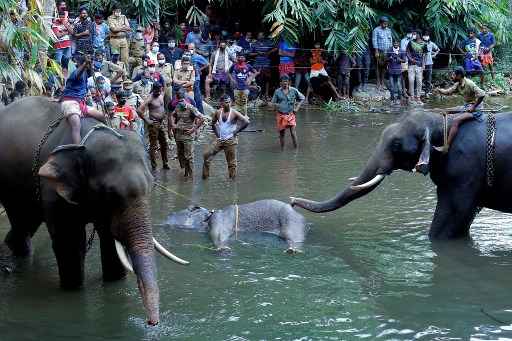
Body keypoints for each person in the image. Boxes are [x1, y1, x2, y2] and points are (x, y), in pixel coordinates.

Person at [432, 67, 486, 153]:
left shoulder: (469, 83)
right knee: (446, 110)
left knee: (456, 120)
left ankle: (447, 146)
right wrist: (439, 90)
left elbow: (482, 94)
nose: (452, 76)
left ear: (459, 75)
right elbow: (448, 92)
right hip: (467, 106)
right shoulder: (458, 84)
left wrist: (473, 107)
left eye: (453, 74)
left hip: (476, 109)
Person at [60, 54, 105, 144]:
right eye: (89, 64)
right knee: (76, 125)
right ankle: (78, 148)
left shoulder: (85, 74)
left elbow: (68, 87)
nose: (91, 66)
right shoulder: (77, 72)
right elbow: (77, 74)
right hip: (70, 103)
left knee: (102, 116)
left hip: (81, 103)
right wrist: (84, 65)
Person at [202, 94, 249, 179]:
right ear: (221, 103)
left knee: (231, 163)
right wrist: (217, 135)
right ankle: (205, 177)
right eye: (226, 102)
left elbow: (246, 122)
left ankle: (232, 183)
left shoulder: (234, 112)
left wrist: (236, 131)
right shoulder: (218, 112)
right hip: (220, 139)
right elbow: (212, 124)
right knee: (206, 155)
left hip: (230, 140)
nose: (228, 104)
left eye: (229, 102)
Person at [169, 88, 204, 178]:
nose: (180, 102)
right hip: (178, 134)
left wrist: (194, 129)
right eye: (179, 100)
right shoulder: (177, 106)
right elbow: (172, 115)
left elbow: (202, 118)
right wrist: (173, 124)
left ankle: (191, 176)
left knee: (189, 157)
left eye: (182, 100)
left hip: (188, 135)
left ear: (185, 98)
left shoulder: (190, 107)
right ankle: (185, 172)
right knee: (180, 155)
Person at [138, 84, 169, 170]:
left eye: (159, 91)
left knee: (164, 143)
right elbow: (139, 110)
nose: (158, 92)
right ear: (153, 89)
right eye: (156, 91)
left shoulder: (161, 94)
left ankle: (165, 163)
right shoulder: (150, 98)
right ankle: (154, 166)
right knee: (153, 145)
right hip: (153, 124)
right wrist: (147, 120)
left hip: (161, 123)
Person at [271, 75, 305, 150]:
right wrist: (274, 106)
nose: (285, 83)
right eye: (283, 81)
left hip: (290, 114)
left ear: (289, 82)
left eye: (286, 81)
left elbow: (302, 98)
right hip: (280, 115)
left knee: (293, 133)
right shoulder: (277, 92)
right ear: (280, 83)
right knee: (282, 134)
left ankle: (296, 150)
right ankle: (282, 150)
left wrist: (297, 108)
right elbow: (273, 103)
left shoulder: (294, 90)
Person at [251, 32, 276, 99]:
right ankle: (258, 95)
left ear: (264, 36)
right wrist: (257, 53)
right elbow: (250, 54)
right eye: (259, 35)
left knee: (267, 79)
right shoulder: (254, 44)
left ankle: (266, 94)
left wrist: (268, 52)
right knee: (257, 79)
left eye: (261, 35)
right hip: (257, 63)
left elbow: (276, 48)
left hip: (266, 63)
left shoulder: (268, 42)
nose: (260, 36)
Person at [372, 16, 393, 91]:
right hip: (379, 51)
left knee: (384, 67)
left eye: (387, 23)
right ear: (380, 23)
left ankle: (382, 81)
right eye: (384, 23)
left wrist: (391, 51)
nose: (386, 25)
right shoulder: (376, 30)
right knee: (378, 66)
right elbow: (374, 40)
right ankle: (378, 82)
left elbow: (391, 40)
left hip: (387, 51)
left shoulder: (389, 30)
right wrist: (376, 51)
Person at [406, 29, 426, 104]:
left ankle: (418, 97)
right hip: (411, 65)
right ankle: (412, 97)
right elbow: (407, 52)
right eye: (413, 34)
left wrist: (424, 64)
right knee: (411, 80)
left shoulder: (424, 44)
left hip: (419, 65)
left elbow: (424, 55)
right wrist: (411, 59)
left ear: (419, 35)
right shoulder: (410, 42)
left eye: (415, 34)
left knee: (419, 81)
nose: (414, 35)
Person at [188, 43, 209, 113]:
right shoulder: (186, 56)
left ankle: (201, 112)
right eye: (189, 48)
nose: (190, 50)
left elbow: (207, 64)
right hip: (188, 79)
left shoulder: (198, 57)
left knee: (197, 96)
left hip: (196, 79)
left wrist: (200, 69)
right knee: (190, 96)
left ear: (195, 49)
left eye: (192, 48)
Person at [52, 11, 73, 78]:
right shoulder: (55, 24)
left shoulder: (67, 23)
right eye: (60, 16)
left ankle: (65, 77)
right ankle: (56, 77)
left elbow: (72, 32)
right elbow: (58, 35)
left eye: (63, 17)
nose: (62, 18)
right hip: (59, 46)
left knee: (66, 62)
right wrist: (67, 32)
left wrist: (66, 25)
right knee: (57, 62)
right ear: (58, 16)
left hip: (67, 45)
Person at [387, 40, 406, 105]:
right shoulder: (389, 50)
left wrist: (399, 59)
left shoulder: (402, 51)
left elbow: (404, 60)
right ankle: (392, 98)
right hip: (391, 70)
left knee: (399, 86)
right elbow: (385, 59)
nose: (395, 44)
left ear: (399, 44)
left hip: (398, 71)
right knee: (391, 86)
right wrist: (390, 58)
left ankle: (399, 98)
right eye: (394, 43)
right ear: (393, 44)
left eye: (397, 43)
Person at [422, 30, 439, 95]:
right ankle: (419, 90)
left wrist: (434, 55)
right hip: (421, 62)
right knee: (420, 77)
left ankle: (427, 91)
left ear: (429, 36)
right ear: (422, 36)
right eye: (425, 35)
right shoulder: (420, 43)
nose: (426, 37)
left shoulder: (431, 43)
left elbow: (438, 49)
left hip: (429, 62)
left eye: (427, 35)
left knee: (428, 77)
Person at [400, 27, 414, 97]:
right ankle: (403, 91)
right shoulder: (403, 41)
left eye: (411, 33)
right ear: (406, 34)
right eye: (409, 33)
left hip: (412, 61)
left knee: (410, 76)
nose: (410, 34)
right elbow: (403, 51)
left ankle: (409, 90)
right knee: (404, 75)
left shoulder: (414, 40)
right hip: (405, 60)